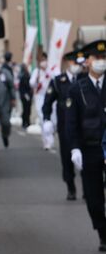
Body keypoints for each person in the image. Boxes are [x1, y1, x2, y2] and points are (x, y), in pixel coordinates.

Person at [65, 40, 106, 251]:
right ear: (87, 61)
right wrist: (74, 147)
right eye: (97, 58)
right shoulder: (77, 89)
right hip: (90, 148)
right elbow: (71, 122)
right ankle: (103, 233)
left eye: (104, 58)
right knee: (93, 197)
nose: (101, 61)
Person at [43, 50, 85, 200]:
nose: (77, 66)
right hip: (65, 126)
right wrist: (47, 119)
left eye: (79, 63)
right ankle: (70, 187)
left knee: (86, 159)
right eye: (74, 62)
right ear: (67, 62)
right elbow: (47, 102)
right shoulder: (58, 81)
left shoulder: (85, 79)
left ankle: (87, 188)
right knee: (67, 159)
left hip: (84, 127)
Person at [18, 63, 33, 130]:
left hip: (28, 95)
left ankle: (27, 122)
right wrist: (26, 94)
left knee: (27, 109)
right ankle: (25, 122)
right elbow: (23, 87)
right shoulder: (23, 76)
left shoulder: (27, 75)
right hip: (25, 96)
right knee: (26, 109)